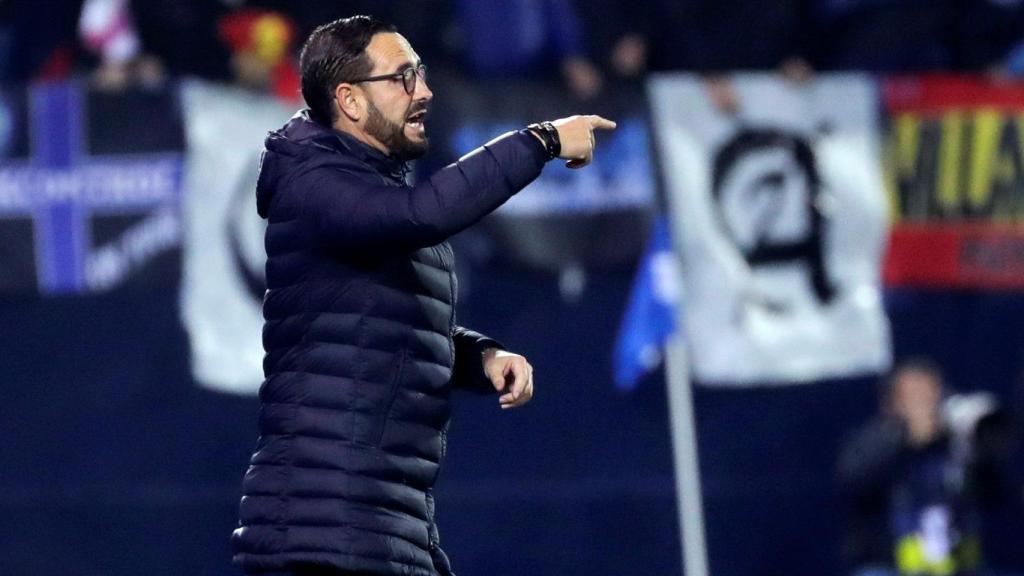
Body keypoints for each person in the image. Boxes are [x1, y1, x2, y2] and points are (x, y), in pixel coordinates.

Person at [229, 14, 616, 576]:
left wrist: (481, 356)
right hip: (320, 534)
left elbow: (395, 321)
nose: (425, 91)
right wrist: (542, 139)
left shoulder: (369, 195)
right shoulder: (311, 181)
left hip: (381, 528)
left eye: (422, 73)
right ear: (350, 100)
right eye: (403, 77)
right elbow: (424, 215)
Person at [837, 360, 982, 576]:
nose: (926, 404)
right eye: (916, 398)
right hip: (889, 565)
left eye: (932, 395)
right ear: (892, 404)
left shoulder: (955, 443)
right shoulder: (872, 442)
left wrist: (977, 444)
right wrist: (904, 438)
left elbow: (994, 494)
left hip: (958, 564)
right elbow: (854, 480)